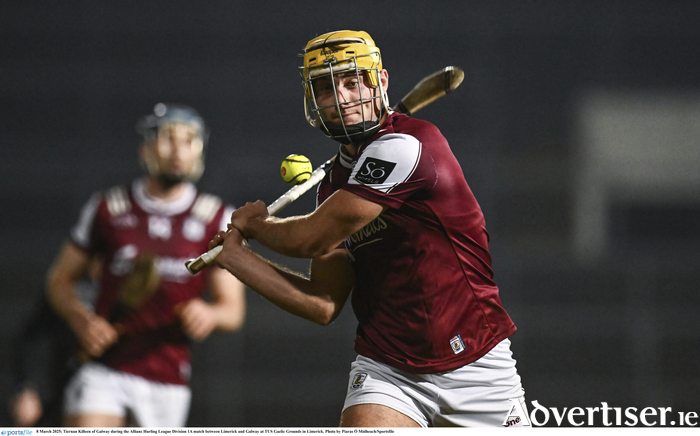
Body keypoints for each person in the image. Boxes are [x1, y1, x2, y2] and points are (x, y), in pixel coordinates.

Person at [209, 30, 526, 427]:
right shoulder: (332, 189)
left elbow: (311, 237)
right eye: (326, 88)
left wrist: (257, 225)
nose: (341, 97)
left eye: (352, 81)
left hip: (477, 362)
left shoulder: (409, 144)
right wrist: (236, 258)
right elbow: (321, 303)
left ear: (381, 83)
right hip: (387, 368)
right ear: (313, 102)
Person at [46, 103, 246, 427]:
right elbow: (60, 279)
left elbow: (232, 310)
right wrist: (82, 321)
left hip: (167, 377)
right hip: (104, 368)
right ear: (146, 147)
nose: (177, 152)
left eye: (188, 141)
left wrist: (209, 314)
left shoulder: (217, 219)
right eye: (168, 140)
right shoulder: (108, 209)